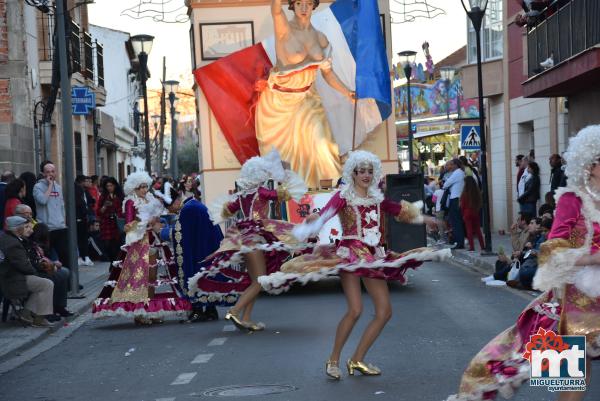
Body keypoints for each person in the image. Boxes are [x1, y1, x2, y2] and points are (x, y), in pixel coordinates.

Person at [259, 151, 448, 379]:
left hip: (374, 255)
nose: (366, 175)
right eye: (362, 171)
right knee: (355, 310)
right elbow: (326, 211)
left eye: (370, 171)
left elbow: (400, 211)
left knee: (385, 312)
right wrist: (314, 218)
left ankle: (357, 359)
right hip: (350, 254)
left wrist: (426, 219)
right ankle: (333, 361)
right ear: (353, 173)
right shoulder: (344, 195)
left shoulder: (377, 198)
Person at [447, 125, 600, 401]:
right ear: (589, 165)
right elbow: (551, 249)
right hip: (571, 303)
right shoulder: (570, 199)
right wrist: (591, 257)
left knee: (578, 380)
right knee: (571, 381)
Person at [188, 149, 308, 331]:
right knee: (259, 280)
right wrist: (284, 176)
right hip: (255, 238)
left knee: (255, 281)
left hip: (243, 237)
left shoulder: (242, 194)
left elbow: (228, 210)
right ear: (259, 174)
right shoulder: (261, 191)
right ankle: (234, 312)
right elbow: (284, 194)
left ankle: (246, 318)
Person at [255, 0, 356, 189]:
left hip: (308, 99)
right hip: (280, 105)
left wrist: (347, 92)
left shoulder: (320, 38)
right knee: (287, 165)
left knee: (324, 147)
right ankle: (295, 202)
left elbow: (327, 73)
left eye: (308, 3)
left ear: (314, 6)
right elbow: (276, 9)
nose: (303, 8)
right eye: (299, 3)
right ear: (292, 5)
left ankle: (331, 199)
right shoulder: (284, 28)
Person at [92, 171, 191, 325]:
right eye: (141, 187)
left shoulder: (150, 199)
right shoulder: (130, 202)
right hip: (139, 242)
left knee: (152, 277)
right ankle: (139, 312)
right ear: (134, 189)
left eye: (145, 186)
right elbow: (128, 225)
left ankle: (150, 309)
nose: (144, 190)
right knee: (141, 278)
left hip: (153, 240)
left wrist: (157, 220)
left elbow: (158, 216)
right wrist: (143, 220)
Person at [172, 181, 224, 322]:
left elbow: (184, 239)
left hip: (200, 248)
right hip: (207, 244)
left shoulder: (187, 209)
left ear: (178, 199)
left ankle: (198, 310)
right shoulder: (194, 205)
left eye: (172, 205)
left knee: (195, 273)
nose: (173, 209)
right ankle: (210, 310)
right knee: (207, 274)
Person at [0, 216, 55, 327]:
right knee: (46, 284)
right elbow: (23, 265)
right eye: (25, 227)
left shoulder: (11, 238)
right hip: (12, 279)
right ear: (17, 229)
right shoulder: (12, 243)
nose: (29, 229)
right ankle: (39, 318)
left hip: (15, 275)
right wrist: (37, 272)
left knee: (44, 283)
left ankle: (27, 314)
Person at [28, 223, 73, 318]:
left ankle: (59, 306)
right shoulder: (29, 242)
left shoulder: (41, 244)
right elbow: (34, 261)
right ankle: (51, 309)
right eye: (27, 227)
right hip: (37, 270)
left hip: (44, 267)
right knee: (58, 276)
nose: (30, 230)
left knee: (64, 272)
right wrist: (52, 264)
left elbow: (50, 254)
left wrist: (54, 261)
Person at [33, 161, 68, 267]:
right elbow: (43, 200)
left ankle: (68, 281)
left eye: (53, 171)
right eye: (48, 172)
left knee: (64, 256)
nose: (51, 174)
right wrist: (50, 186)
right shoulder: (38, 187)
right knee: (48, 257)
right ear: (43, 174)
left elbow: (62, 206)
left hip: (60, 227)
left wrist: (64, 222)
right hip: (46, 228)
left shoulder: (58, 187)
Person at [96, 177, 124, 267]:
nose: (109, 188)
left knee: (116, 245)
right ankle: (112, 262)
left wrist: (114, 205)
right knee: (107, 245)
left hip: (117, 223)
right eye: (107, 186)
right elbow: (99, 212)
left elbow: (122, 210)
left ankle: (115, 265)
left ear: (115, 186)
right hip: (106, 223)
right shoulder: (103, 196)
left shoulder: (120, 196)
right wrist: (105, 206)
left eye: (111, 185)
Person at [443, 159, 465, 248]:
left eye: (451, 164)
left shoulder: (457, 173)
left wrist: (446, 181)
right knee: (457, 221)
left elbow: (446, 185)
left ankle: (459, 243)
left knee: (456, 221)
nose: (450, 166)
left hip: (455, 199)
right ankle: (459, 241)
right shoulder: (461, 172)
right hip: (459, 198)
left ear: (455, 165)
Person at [460, 176, 485, 251]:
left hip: (467, 213)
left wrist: (463, 214)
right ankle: (482, 246)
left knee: (469, 230)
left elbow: (462, 205)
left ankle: (472, 247)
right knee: (478, 230)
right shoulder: (476, 192)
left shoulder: (465, 193)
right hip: (475, 212)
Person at [75, 175, 94, 266]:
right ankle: (79, 257)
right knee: (79, 238)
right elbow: (80, 204)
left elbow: (89, 201)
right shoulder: (76, 190)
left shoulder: (85, 191)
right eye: (86, 181)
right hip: (79, 217)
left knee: (84, 238)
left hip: (84, 217)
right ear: (82, 182)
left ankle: (85, 256)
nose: (88, 183)